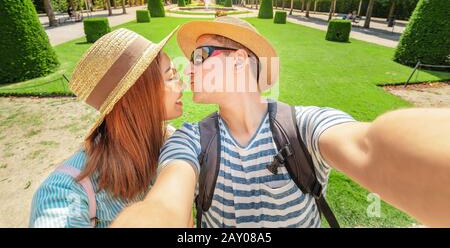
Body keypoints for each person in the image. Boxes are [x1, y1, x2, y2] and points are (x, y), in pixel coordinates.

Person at [112, 17, 450, 228]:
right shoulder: (190, 141)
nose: (189, 68)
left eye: (201, 56)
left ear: (240, 61)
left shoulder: (303, 125)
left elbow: (370, 147)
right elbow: (164, 204)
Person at [29, 27, 184, 228]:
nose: (181, 85)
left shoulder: (169, 140)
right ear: (138, 95)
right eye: (171, 77)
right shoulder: (64, 193)